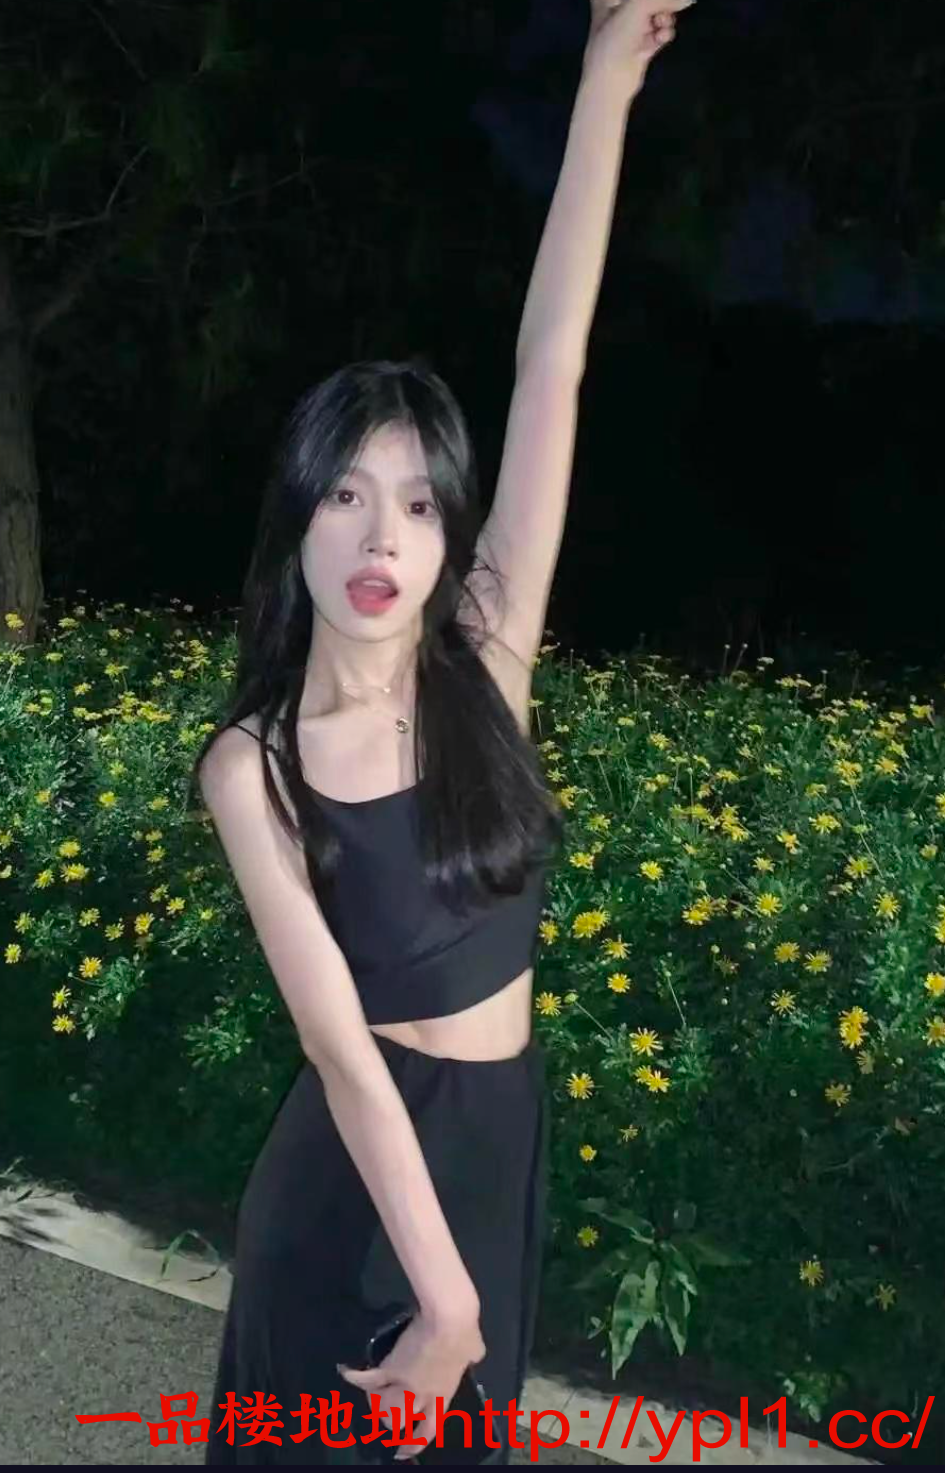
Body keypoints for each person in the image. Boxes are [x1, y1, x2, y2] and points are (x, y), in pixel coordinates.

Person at [192, 2, 692, 1462]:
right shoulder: (254, 766)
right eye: (345, 495)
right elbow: (340, 1053)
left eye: (416, 502)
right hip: (357, 1187)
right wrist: (446, 1301)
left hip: (490, 1155)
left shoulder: (490, 654)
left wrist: (605, 77)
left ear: (448, 532)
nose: (380, 538)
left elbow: (553, 365)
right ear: (298, 520)